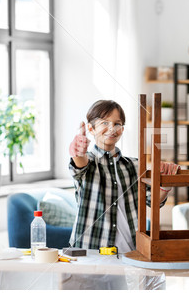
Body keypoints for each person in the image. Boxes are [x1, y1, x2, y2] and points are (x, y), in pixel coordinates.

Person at [69, 99, 178, 252]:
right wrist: (78, 150)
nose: (112, 128)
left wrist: (165, 185)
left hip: (129, 250)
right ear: (91, 129)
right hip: (90, 250)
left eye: (117, 124)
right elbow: (79, 162)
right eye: (104, 123)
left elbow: (152, 201)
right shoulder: (88, 163)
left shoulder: (134, 165)